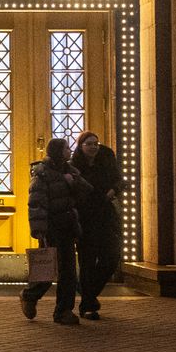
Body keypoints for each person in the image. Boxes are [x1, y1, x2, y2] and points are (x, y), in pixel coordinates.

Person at [20, 138, 87, 325]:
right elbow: (36, 204)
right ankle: (29, 295)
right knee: (47, 270)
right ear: (58, 151)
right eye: (66, 148)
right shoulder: (42, 173)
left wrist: (72, 182)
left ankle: (63, 311)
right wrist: (39, 230)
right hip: (52, 228)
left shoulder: (70, 171)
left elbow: (85, 193)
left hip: (68, 226)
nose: (70, 150)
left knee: (68, 273)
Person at [72, 131, 127, 319]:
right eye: (89, 144)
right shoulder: (74, 167)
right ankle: (88, 305)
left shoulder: (106, 161)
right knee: (87, 261)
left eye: (96, 143)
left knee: (111, 256)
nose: (94, 147)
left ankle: (86, 291)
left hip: (105, 217)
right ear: (81, 146)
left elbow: (120, 180)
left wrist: (113, 190)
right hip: (85, 219)